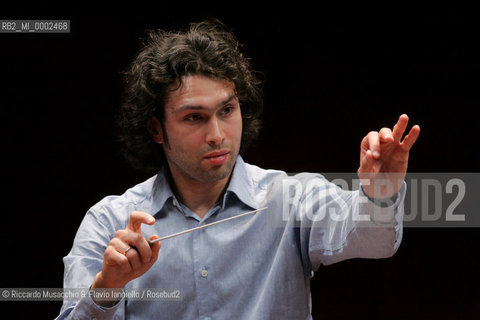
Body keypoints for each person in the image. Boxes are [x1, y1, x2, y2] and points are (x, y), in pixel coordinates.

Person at [56, 19, 420, 319]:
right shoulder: (108, 222)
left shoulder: (291, 198)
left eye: (227, 111)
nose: (217, 135)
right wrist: (107, 287)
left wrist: (381, 191)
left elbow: (375, 241)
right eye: (194, 118)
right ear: (156, 128)